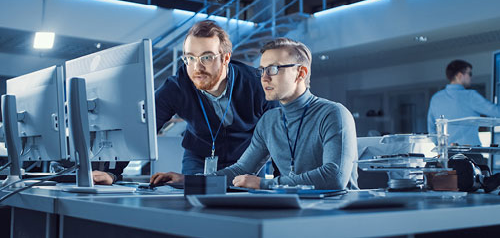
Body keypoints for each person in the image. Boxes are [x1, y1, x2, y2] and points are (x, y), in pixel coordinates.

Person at [151, 38, 358, 190]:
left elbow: (335, 177)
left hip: (337, 212)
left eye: (274, 69)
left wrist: (266, 184)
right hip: (295, 211)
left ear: (301, 73)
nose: (264, 78)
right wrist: (187, 180)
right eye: (262, 70)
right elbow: (240, 169)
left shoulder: (333, 114)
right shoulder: (270, 121)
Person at [92, 20, 277, 184]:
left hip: (243, 159)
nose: (197, 67)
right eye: (190, 58)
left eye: (207, 57)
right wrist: (111, 172)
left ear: (226, 58)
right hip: (199, 156)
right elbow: (142, 128)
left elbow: (279, 135)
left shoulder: (257, 84)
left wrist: (284, 183)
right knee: (195, 206)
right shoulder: (177, 86)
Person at [427, 59, 500, 146]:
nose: (471, 77)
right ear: (459, 75)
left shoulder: (436, 98)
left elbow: (431, 130)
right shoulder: (470, 96)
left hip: (447, 154)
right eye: (469, 74)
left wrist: (442, 147)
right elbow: (497, 112)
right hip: (470, 153)